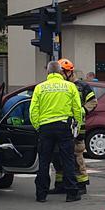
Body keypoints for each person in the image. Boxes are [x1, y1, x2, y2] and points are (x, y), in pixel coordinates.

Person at [29, 61, 82, 202]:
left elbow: (33, 110)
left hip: (45, 128)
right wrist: (78, 126)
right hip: (64, 127)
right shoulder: (70, 87)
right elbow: (77, 108)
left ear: (47, 72)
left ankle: (41, 194)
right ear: (60, 72)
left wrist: (38, 127)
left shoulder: (40, 88)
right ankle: (71, 193)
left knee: (44, 162)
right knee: (68, 160)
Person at [52, 59, 97, 195]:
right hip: (62, 127)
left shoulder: (82, 86)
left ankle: (81, 184)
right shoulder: (61, 86)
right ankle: (60, 184)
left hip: (77, 128)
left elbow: (93, 102)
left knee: (77, 156)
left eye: (62, 72)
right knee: (58, 157)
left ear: (69, 72)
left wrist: (80, 111)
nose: (60, 74)